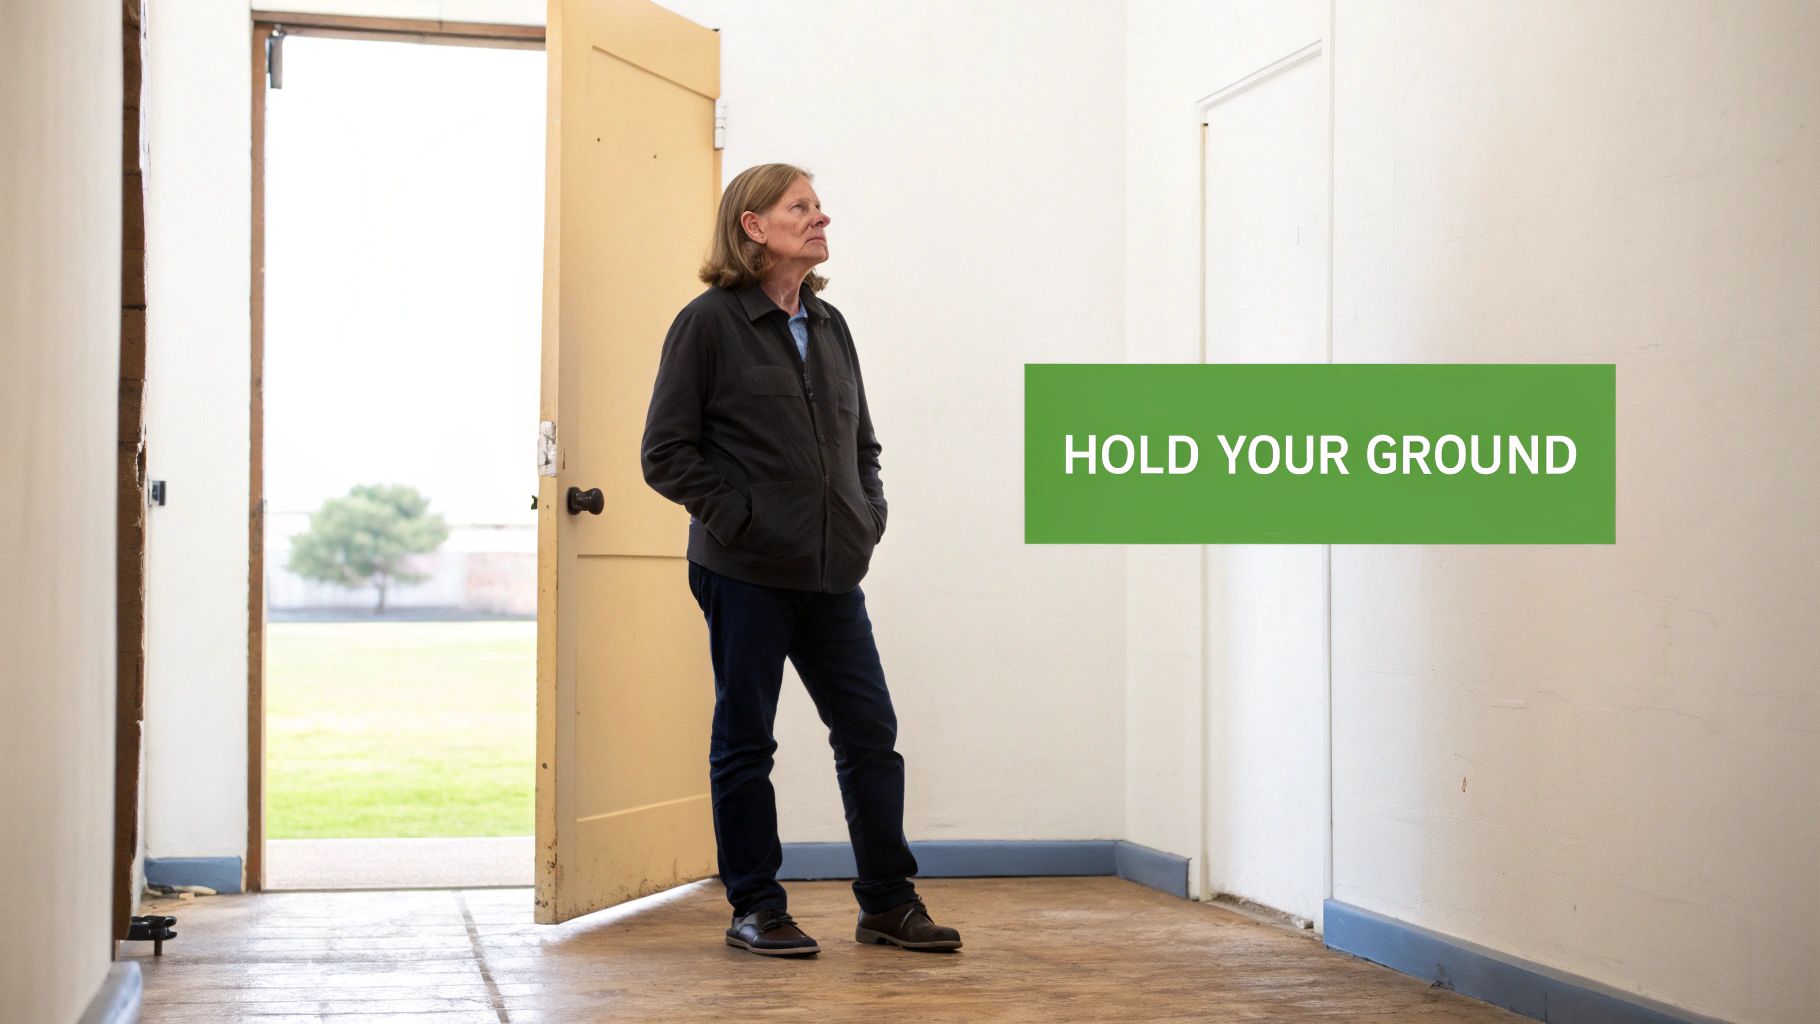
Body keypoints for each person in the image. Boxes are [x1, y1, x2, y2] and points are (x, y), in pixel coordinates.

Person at [640, 163, 962, 957]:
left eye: (818, 207)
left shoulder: (829, 325)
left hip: (831, 573)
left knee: (869, 736)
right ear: (753, 226)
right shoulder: (707, 324)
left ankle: (888, 903)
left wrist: (865, 516)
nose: (821, 219)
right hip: (743, 572)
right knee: (747, 740)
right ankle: (757, 907)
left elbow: (862, 445)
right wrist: (742, 519)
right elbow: (665, 453)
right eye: (801, 207)